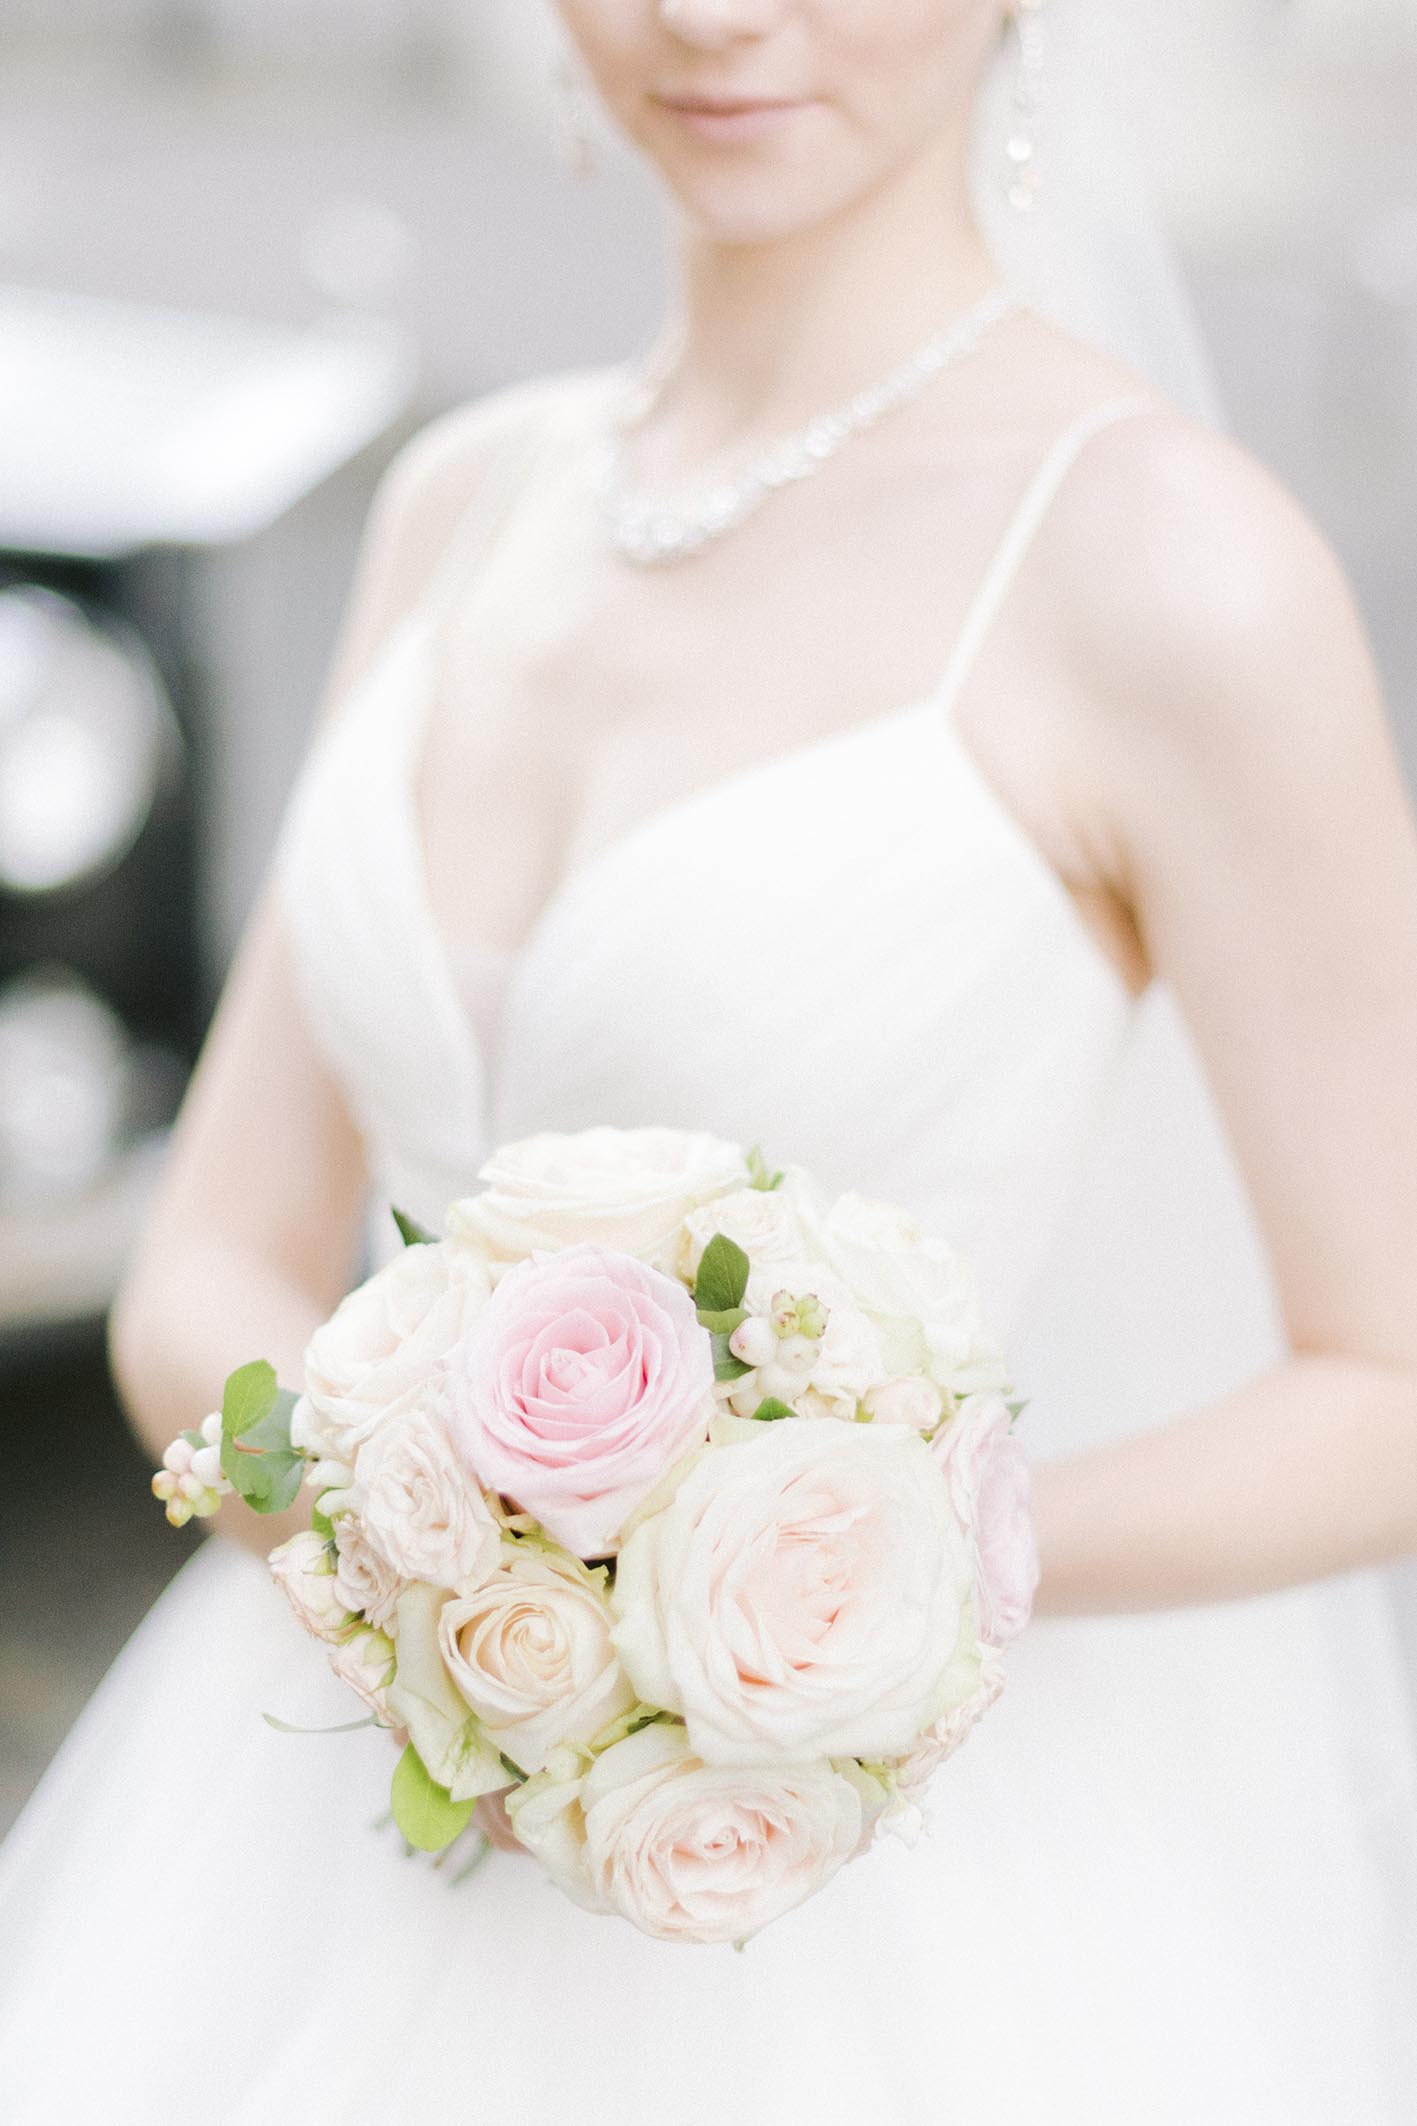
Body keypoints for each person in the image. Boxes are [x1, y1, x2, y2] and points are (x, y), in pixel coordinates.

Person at [3, 2, 1416, 2118]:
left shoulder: (1166, 565)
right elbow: (213, 1249)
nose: (715, 14)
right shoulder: (462, 504)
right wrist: (424, 1559)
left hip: (882, 1891)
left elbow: (1386, 1373)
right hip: (326, 1769)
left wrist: (836, 1570)